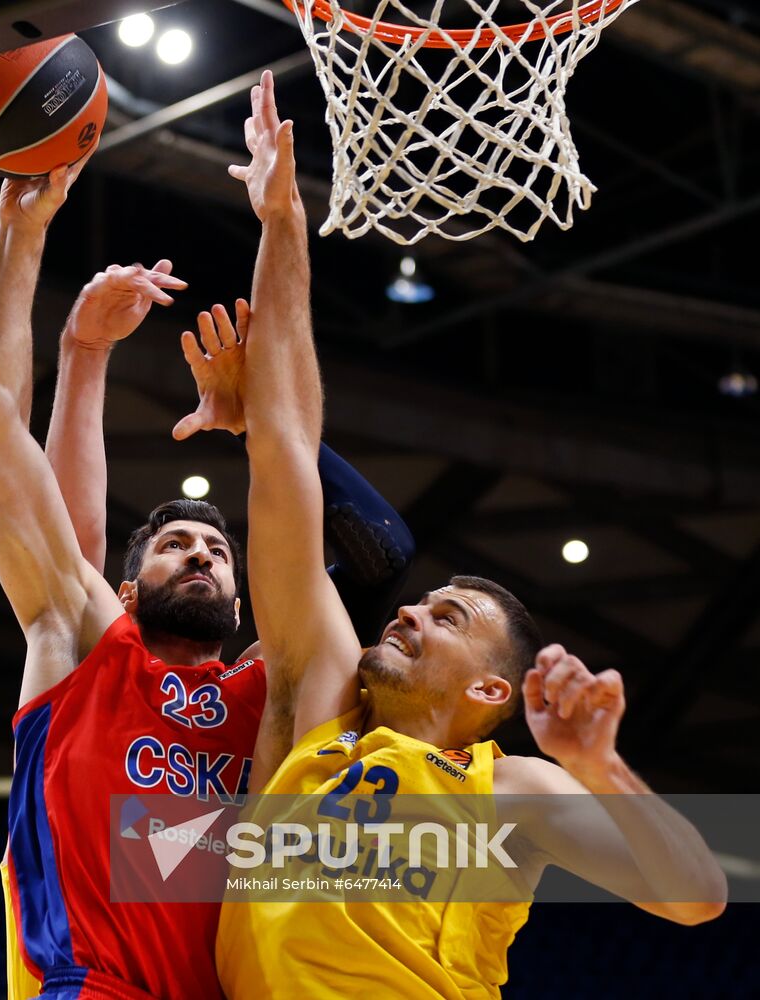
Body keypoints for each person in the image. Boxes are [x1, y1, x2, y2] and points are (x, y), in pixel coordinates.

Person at [154, 71, 727, 998]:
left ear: (493, 686)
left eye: (449, 616)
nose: (413, 610)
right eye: (424, 602)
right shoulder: (321, 717)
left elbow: (696, 898)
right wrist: (282, 224)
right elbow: (292, 461)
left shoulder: (507, 793)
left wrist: (597, 764)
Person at [0, 151, 413, 1000]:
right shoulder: (86, 651)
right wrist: (31, 252)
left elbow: (376, 541)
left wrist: (269, 416)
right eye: (174, 546)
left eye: (217, 552)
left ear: (245, 603)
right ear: (125, 597)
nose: (202, 553)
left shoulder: (274, 691)